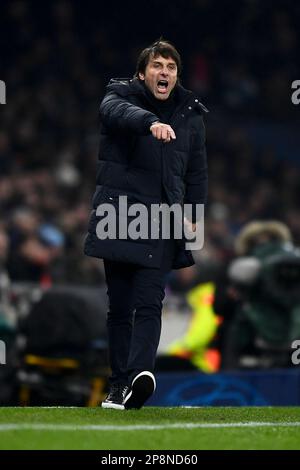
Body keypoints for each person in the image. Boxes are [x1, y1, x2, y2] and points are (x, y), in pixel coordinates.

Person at [84, 39, 208, 409]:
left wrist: (192, 213)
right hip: (120, 217)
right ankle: (118, 385)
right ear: (142, 73)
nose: (165, 72)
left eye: (171, 67)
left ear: (177, 75)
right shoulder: (119, 96)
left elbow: (197, 172)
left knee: (150, 302)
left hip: (162, 220)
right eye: (157, 65)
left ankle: (140, 376)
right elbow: (115, 111)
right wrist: (150, 122)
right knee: (120, 307)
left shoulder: (191, 114)